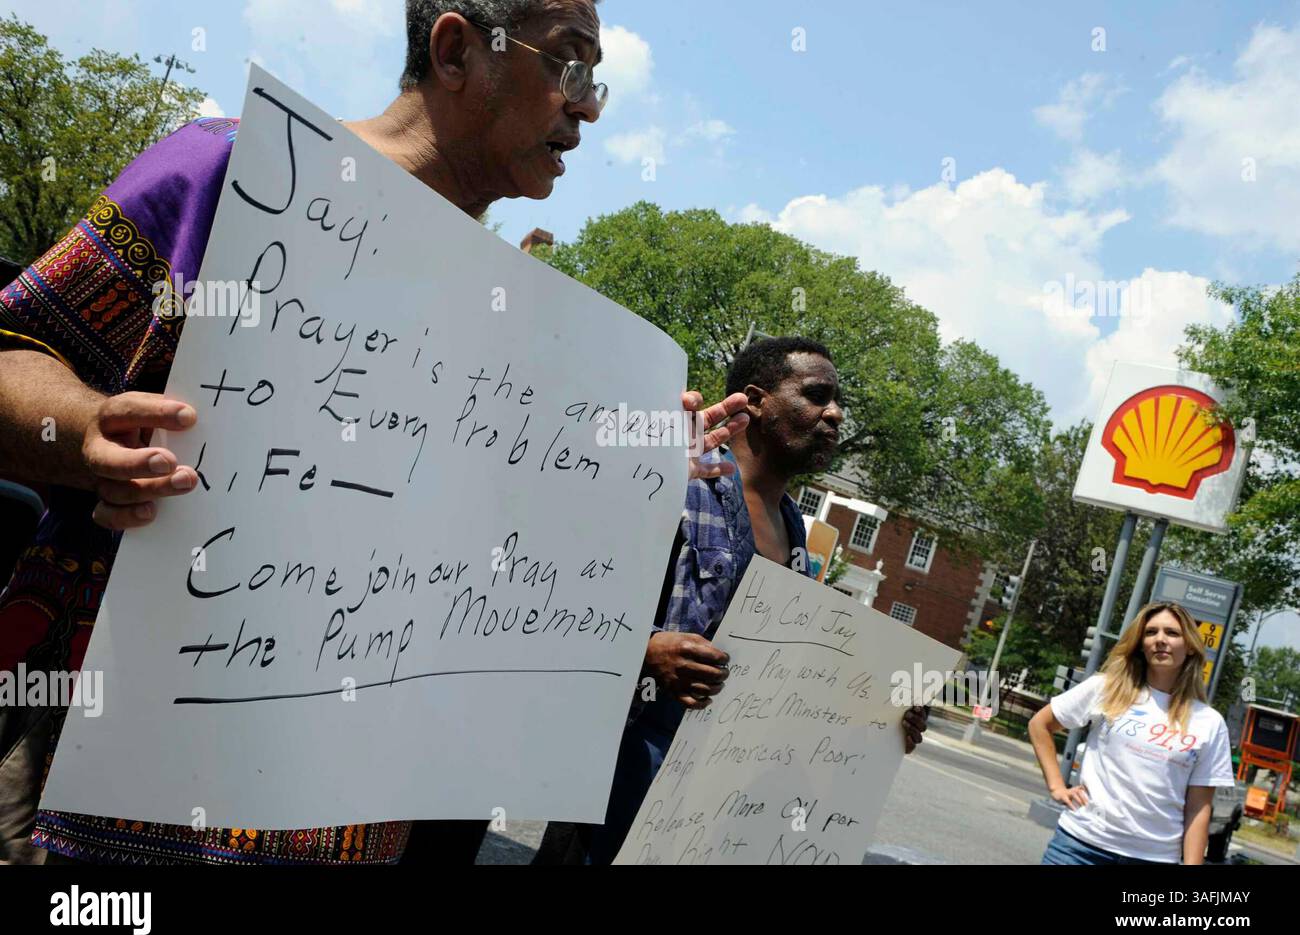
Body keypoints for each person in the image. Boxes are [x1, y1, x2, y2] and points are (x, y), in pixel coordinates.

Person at [0, 0, 748, 865]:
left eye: (596, 81)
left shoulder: (509, 317)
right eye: (569, 66)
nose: (587, 107)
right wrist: (85, 431)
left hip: (352, 831)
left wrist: (629, 472)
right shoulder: (231, 169)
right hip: (107, 812)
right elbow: (18, 352)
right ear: (458, 49)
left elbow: (490, 579)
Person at [534, 336, 929, 864]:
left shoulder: (797, 534)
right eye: (816, 395)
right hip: (624, 775)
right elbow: (563, 600)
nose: (834, 413)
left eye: (838, 402)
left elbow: (789, 675)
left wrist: (881, 715)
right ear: (756, 399)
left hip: (714, 798)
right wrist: (647, 651)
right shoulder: (675, 480)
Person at [1029, 601, 1236, 865]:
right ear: (1141, 643)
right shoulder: (1105, 688)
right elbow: (1040, 725)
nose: (1160, 639)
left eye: (1172, 633)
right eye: (1151, 632)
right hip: (1079, 847)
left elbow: (1198, 808)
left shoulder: (1209, 722)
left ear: (1191, 647)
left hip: (1154, 858)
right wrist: (1057, 786)